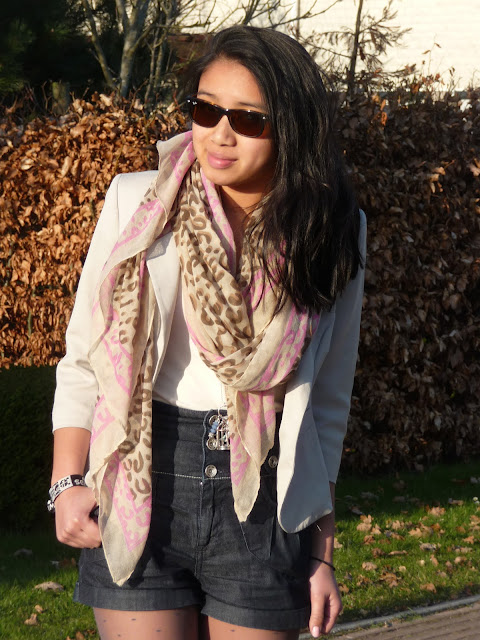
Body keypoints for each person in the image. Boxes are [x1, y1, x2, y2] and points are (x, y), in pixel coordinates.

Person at [50, 25, 366, 640]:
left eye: (248, 119)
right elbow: (86, 354)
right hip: (141, 473)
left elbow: (329, 402)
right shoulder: (138, 202)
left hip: (262, 496)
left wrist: (322, 553)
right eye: (205, 109)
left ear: (292, 127)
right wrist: (67, 482)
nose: (220, 133)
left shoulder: (332, 229)